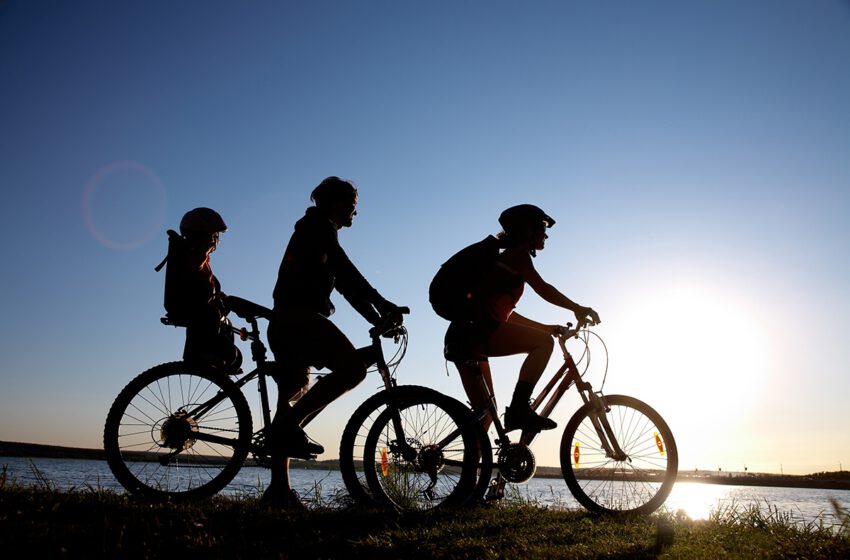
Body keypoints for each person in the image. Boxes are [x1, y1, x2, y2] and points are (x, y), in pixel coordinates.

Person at [264, 176, 400, 508]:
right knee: (353, 370)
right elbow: (347, 271)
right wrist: (385, 305)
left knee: (293, 392)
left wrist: (376, 318)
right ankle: (290, 426)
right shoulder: (318, 227)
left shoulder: (318, 231)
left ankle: (279, 491)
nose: (356, 209)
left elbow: (345, 286)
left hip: (287, 320)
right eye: (353, 202)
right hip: (300, 319)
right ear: (337, 203)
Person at [443, 204, 601, 433]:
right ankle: (518, 410)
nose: (546, 234)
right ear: (527, 230)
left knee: (485, 417)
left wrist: (547, 327)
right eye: (542, 227)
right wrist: (577, 308)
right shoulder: (517, 255)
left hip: (464, 336)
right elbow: (543, 288)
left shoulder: (506, 261)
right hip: (475, 333)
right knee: (544, 344)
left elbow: (507, 315)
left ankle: (474, 467)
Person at [162, 207, 240, 372]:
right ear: (204, 235)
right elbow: (192, 272)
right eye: (214, 235)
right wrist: (201, 252)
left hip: (195, 304)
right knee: (210, 314)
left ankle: (217, 359)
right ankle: (198, 355)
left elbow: (204, 283)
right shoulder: (191, 254)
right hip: (187, 305)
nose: (216, 240)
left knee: (223, 320)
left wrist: (219, 295)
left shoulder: (197, 256)